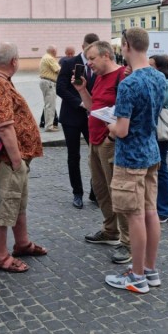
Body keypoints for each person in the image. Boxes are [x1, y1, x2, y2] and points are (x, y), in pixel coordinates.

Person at [105, 27, 166, 294]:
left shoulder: (129, 83)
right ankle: (150, 270)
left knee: (135, 216)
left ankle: (137, 276)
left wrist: (109, 127)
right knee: (151, 212)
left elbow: (122, 130)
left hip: (131, 157)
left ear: (126, 45)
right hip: (152, 152)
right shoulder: (158, 77)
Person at [0, 42, 46, 273]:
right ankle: (0, 256)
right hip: (7, 161)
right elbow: (4, 126)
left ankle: (22, 244)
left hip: (12, 160)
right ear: (14, 62)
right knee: (3, 207)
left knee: (17, 204)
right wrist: (17, 161)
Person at [73, 41, 131, 264]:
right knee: (101, 190)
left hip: (110, 142)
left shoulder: (121, 77)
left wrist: (112, 137)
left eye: (92, 58)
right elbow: (93, 107)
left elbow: (127, 112)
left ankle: (127, 243)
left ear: (106, 56)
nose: (89, 63)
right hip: (94, 141)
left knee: (117, 192)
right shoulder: (98, 78)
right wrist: (82, 90)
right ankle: (110, 231)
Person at [57, 33, 99, 208]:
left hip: (93, 117)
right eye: (90, 51)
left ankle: (95, 191)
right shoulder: (68, 63)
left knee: (96, 156)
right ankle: (77, 193)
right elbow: (61, 88)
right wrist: (80, 102)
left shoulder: (97, 65)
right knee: (73, 156)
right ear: (83, 47)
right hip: (72, 116)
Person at [149, 55, 168, 223]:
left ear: (159, 67)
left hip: (160, 130)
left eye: (151, 65)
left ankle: (165, 209)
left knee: (161, 167)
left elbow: (159, 103)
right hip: (155, 130)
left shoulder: (164, 83)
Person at [39, 45, 61, 132]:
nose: (56, 53)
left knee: (47, 105)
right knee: (50, 105)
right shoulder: (50, 58)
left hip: (45, 82)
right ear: (53, 51)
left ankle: (48, 124)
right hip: (49, 83)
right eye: (56, 51)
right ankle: (49, 126)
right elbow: (59, 70)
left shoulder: (45, 57)